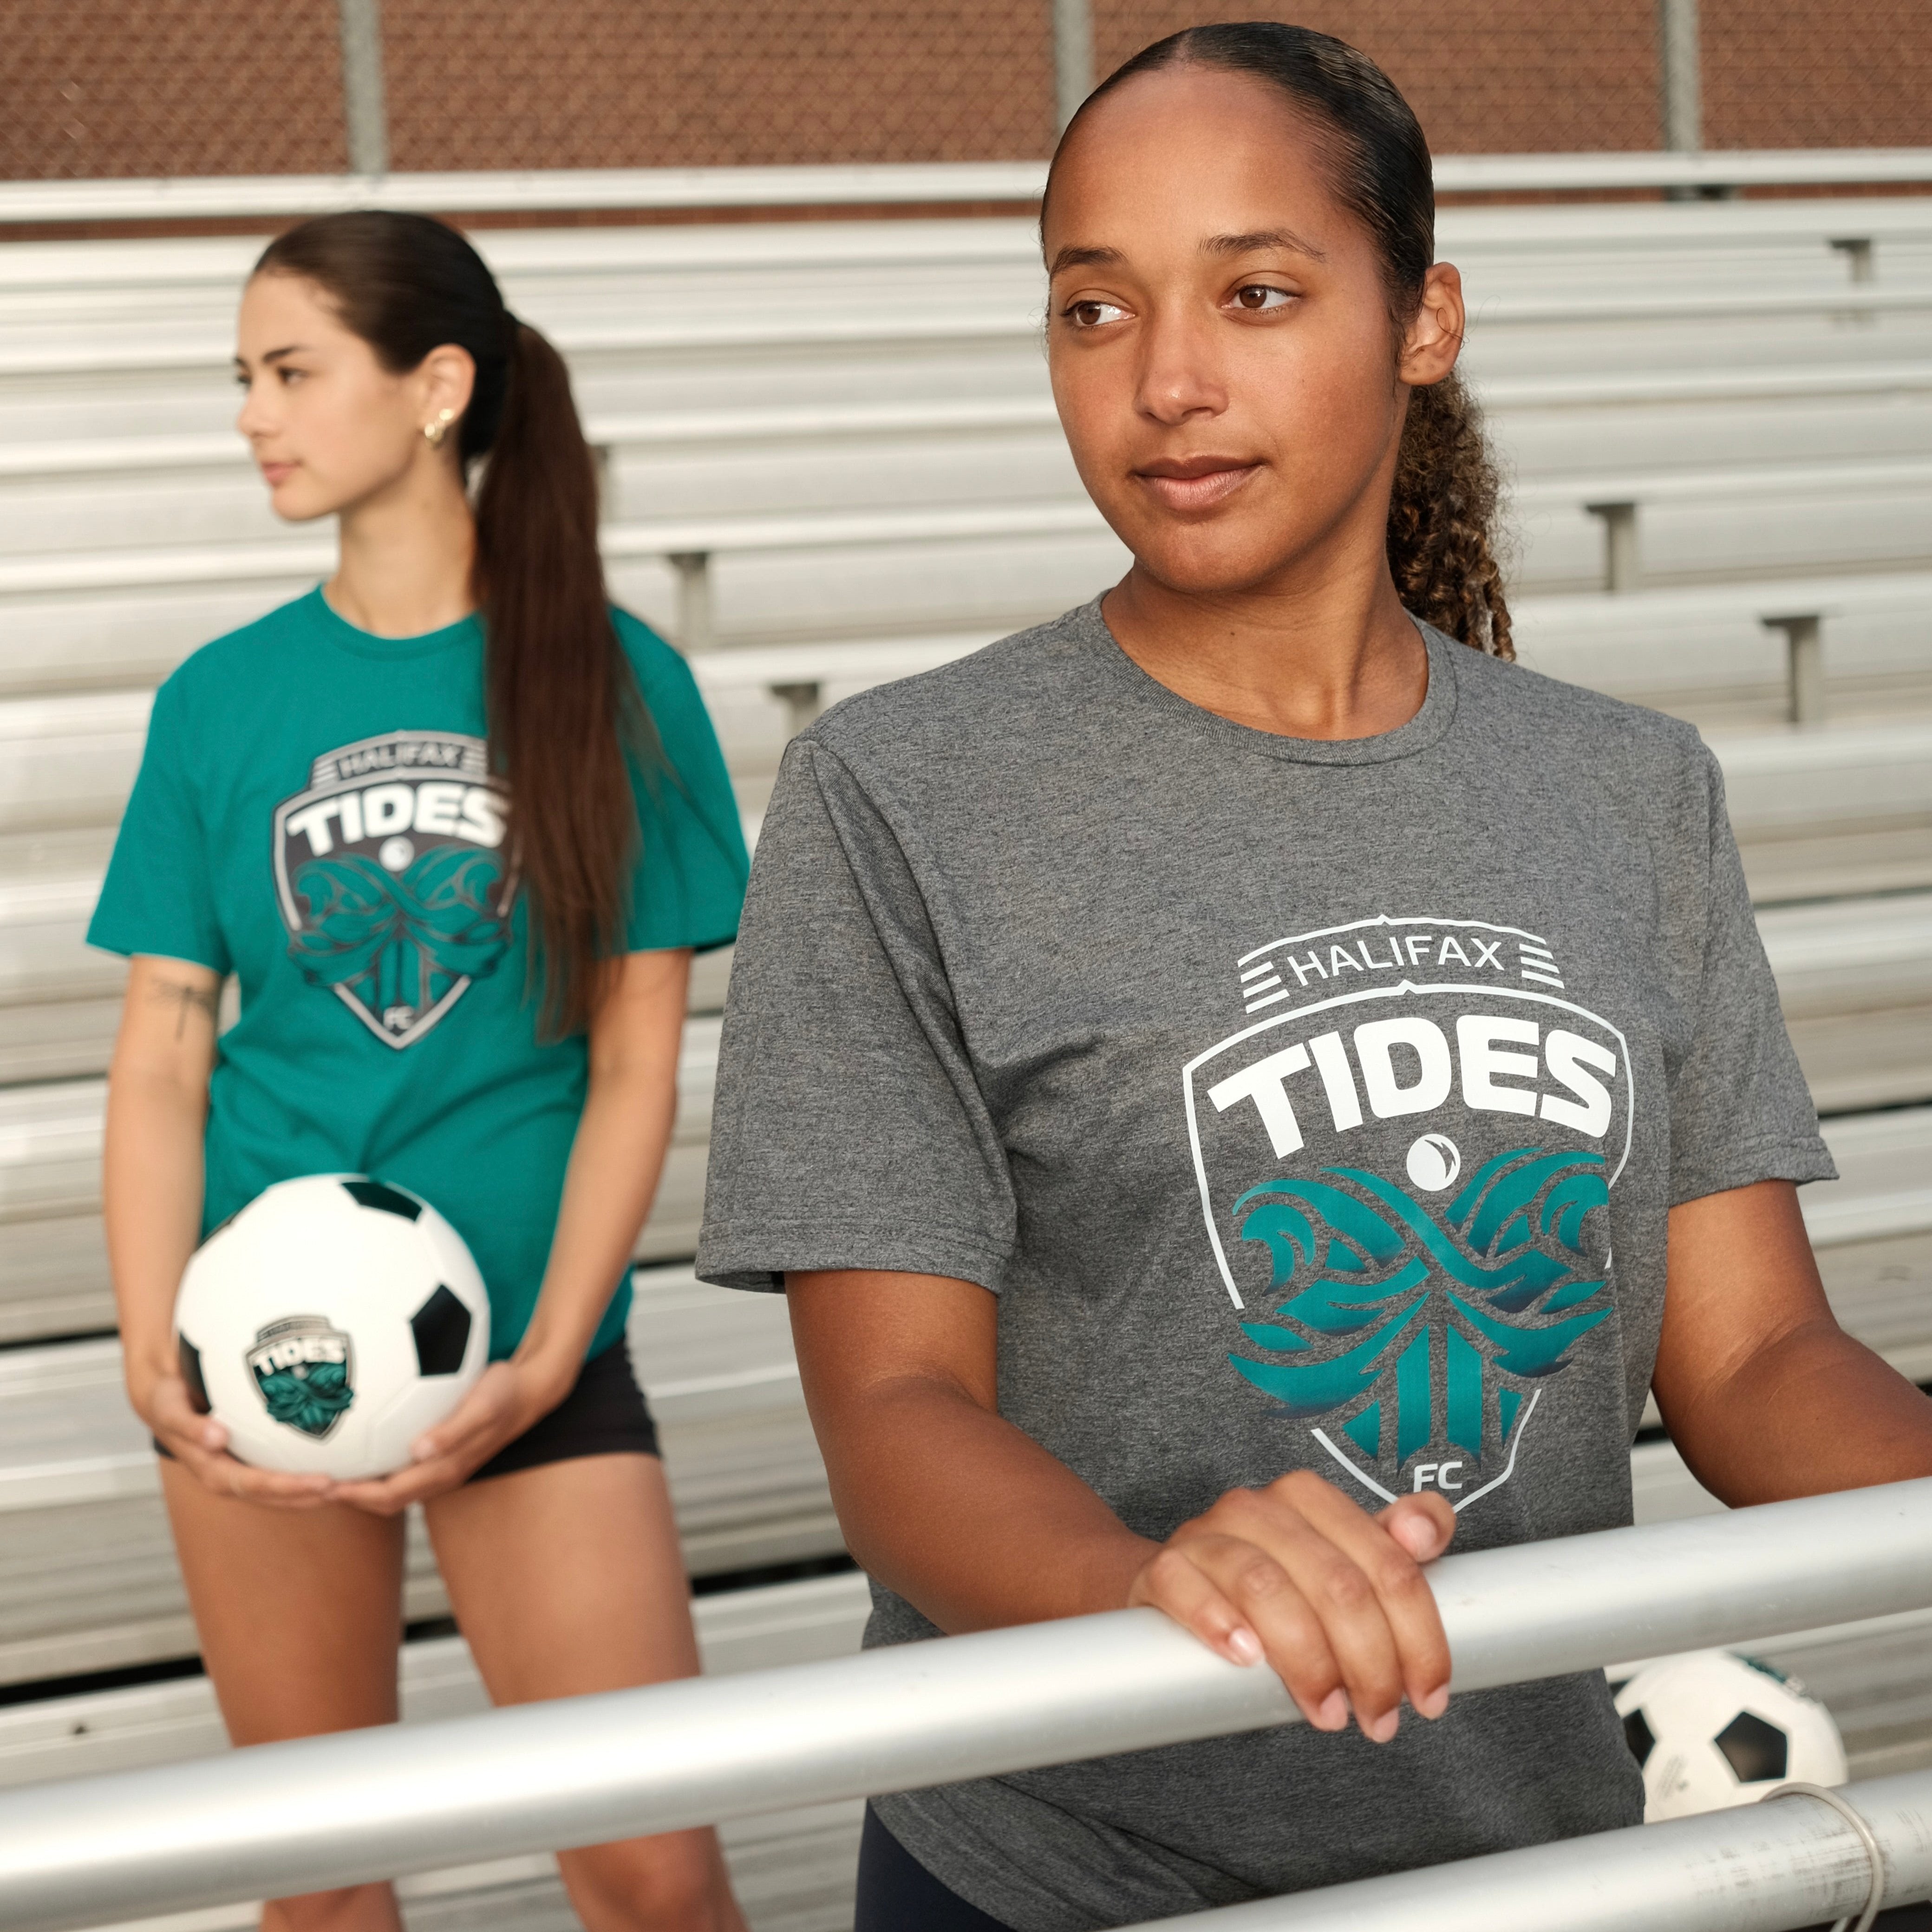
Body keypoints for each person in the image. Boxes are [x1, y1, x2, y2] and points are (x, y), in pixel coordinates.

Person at [695, 24, 1932, 1932]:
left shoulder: (1626, 787)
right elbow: (894, 1417)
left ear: (1421, 317)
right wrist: (1156, 1579)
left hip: (1536, 1861)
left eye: (1255, 293)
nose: (1166, 382)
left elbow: (1752, 1357)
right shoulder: (898, 790)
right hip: (1057, 1876)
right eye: (1090, 310)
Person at [91, 211, 750, 1932]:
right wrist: (154, 1340)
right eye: (243, 378)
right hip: (268, 1348)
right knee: (318, 1893)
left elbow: (634, 1066)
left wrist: (543, 1359)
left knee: (657, 1882)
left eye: (292, 371)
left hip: (528, 1350)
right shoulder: (222, 700)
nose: (254, 414)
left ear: (439, 385)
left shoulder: (620, 684)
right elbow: (163, 1048)